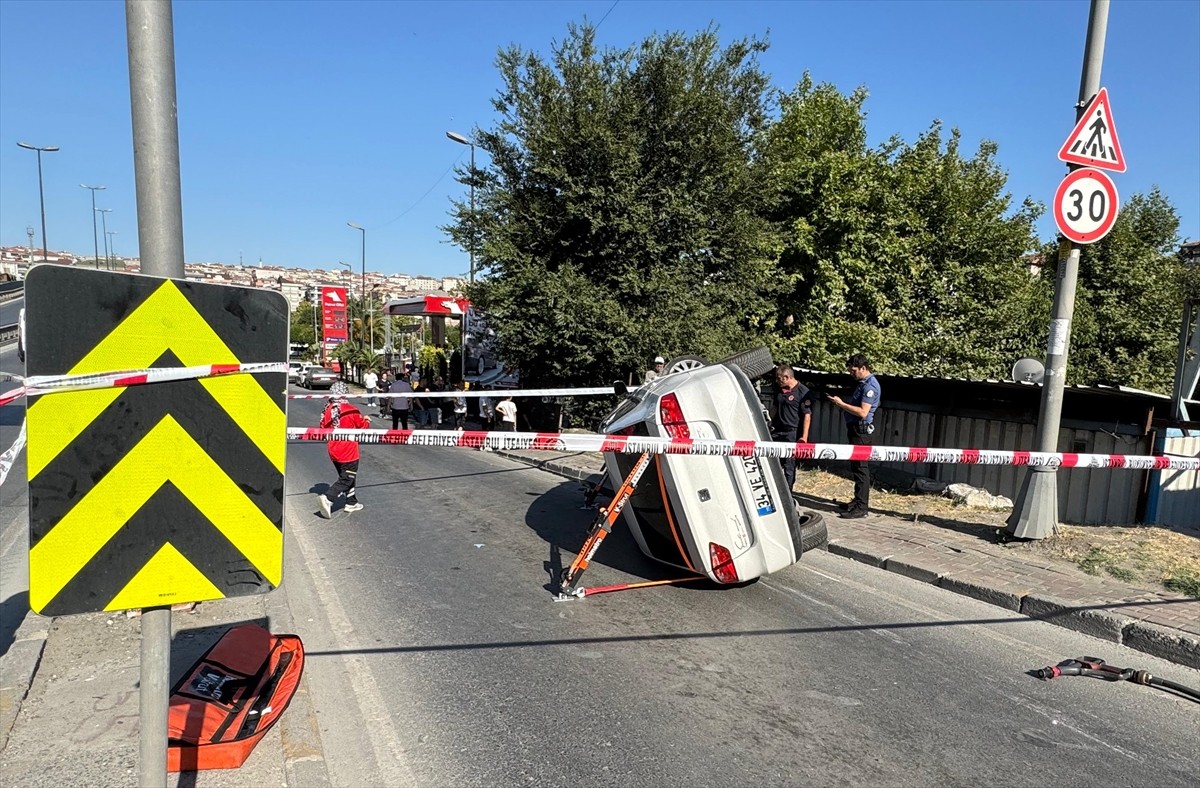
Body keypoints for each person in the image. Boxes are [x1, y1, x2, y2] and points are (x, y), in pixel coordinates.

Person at [828, 353, 881, 518]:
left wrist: (841, 404)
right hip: (855, 429)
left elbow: (863, 412)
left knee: (861, 468)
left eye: (854, 370)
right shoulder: (861, 383)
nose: (852, 374)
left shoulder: (870, 386)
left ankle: (861, 507)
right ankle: (857, 501)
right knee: (856, 467)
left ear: (863, 368)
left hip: (861, 431)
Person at [317, 381, 371, 518]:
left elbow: (323, 428)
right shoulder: (350, 409)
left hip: (333, 449)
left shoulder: (327, 409)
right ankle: (328, 498)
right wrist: (367, 420)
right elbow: (362, 427)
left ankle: (351, 502)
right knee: (346, 479)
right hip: (348, 451)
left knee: (347, 476)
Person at [771, 363, 811, 491]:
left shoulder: (803, 392)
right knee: (772, 460)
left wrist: (804, 437)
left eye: (779, 378)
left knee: (789, 465)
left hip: (791, 434)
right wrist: (767, 423)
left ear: (787, 377)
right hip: (776, 431)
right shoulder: (779, 389)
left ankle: (787, 493)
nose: (777, 381)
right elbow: (775, 408)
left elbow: (807, 416)